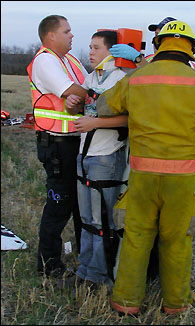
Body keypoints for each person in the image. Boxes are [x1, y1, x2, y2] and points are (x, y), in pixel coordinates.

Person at [96, 20, 195, 315]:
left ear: (158, 45)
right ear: (191, 49)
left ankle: (125, 303)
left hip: (142, 176)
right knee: (178, 241)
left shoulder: (139, 77)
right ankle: (176, 305)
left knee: (136, 237)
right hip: (182, 179)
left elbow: (105, 107)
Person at [65, 30, 128, 289]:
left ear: (112, 51)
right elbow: (84, 111)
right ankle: (85, 269)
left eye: (96, 48)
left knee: (103, 221)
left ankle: (99, 277)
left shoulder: (121, 79)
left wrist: (95, 123)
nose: (90, 52)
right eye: (90, 47)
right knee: (87, 220)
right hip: (85, 155)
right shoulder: (91, 77)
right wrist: (73, 105)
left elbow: (129, 119)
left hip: (106, 158)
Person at [27, 15, 89, 278]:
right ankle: (48, 264)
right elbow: (76, 91)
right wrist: (91, 96)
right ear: (50, 35)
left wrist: (87, 95)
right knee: (59, 203)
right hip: (57, 143)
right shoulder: (45, 60)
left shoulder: (71, 60)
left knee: (79, 202)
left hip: (74, 141)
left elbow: (87, 88)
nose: (72, 36)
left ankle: (83, 255)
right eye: (67, 31)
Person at [109, 16, 195, 71]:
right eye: (156, 35)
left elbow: (157, 80)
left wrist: (138, 59)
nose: (156, 41)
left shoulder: (189, 67)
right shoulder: (149, 58)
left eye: (160, 37)